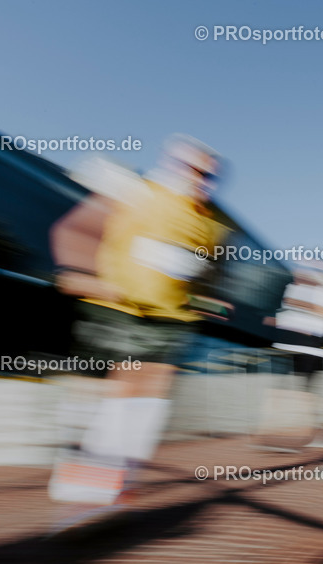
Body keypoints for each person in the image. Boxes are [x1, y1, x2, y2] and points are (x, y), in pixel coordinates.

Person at [47, 134, 227, 524]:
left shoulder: (215, 224)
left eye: (208, 175)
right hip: (117, 307)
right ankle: (85, 489)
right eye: (192, 169)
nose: (200, 180)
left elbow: (211, 271)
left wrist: (208, 299)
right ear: (173, 164)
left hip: (172, 318)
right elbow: (74, 229)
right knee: (116, 393)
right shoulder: (136, 191)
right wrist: (80, 273)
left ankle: (113, 486)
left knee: (148, 401)